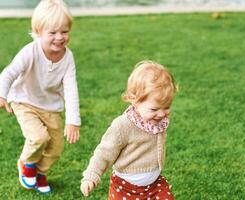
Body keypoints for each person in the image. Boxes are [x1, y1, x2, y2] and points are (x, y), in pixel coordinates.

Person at [0, 0, 80, 194]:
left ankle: (40, 173)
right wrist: (2, 94)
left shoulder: (67, 57)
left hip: (50, 106)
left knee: (56, 147)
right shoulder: (30, 52)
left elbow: (71, 89)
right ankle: (26, 163)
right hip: (24, 101)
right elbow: (9, 73)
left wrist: (73, 121)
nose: (59, 37)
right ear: (38, 32)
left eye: (64, 31)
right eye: (52, 33)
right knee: (38, 137)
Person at [80, 61, 177, 199]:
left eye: (166, 107)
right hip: (125, 187)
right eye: (154, 109)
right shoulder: (123, 126)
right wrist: (91, 176)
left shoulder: (157, 121)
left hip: (154, 184)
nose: (161, 114)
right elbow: (104, 152)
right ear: (134, 100)